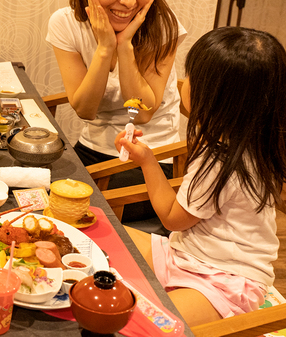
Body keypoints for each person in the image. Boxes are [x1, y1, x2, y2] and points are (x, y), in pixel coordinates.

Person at [117, 27, 286, 326]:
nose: (184, 82)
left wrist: (146, 161)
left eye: (191, 76)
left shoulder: (221, 161)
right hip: (185, 253)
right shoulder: (258, 140)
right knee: (109, 240)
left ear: (214, 97)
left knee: (146, 323)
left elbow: (171, 218)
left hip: (225, 281)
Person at [46, 0, 187, 223]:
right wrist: (104, 47)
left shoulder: (162, 25)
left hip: (152, 160)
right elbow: (85, 109)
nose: (129, 0)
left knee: (76, 215)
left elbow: (145, 112)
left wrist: (125, 49)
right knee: (30, 192)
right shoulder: (65, 23)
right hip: (92, 150)